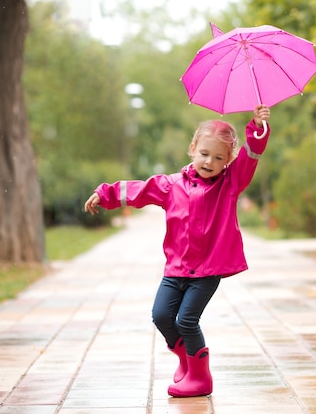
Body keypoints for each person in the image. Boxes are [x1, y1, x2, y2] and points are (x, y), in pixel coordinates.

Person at [84, 105, 271, 398]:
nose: (210, 161)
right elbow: (139, 190)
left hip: (208, 270)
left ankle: (200, 378)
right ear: (193, 149)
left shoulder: (230, 183)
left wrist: (257, 128)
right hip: (176, 269)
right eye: (205, 153)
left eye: (219, 157)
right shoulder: (171, 185)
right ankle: (187, 360)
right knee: (161, 316)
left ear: (229, 161)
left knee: (186, 320)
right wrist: (105, 193)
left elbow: (252, 155)